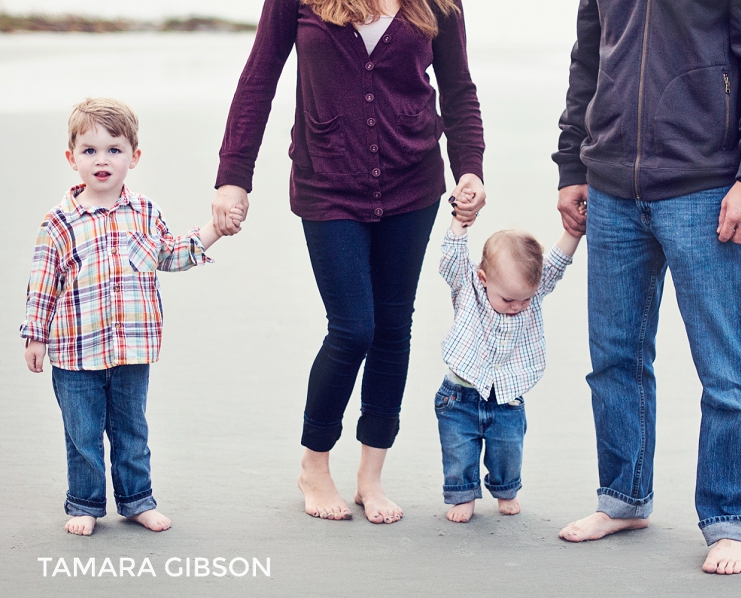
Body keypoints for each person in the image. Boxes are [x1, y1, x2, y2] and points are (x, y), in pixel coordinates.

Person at [210, 0, 486, 524]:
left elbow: (458, 89)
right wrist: (233, 175)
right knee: (353, 327)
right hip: (327, 181)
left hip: (414, 181)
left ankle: (370, 476)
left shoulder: (438, 4)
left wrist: (469, 168)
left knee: (392, 329)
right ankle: (314, 466)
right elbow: (258, 78)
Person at [552, 0, 741, 575]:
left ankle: (735, 521)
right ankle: (624, 498)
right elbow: (588, 58)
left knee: (726, 362)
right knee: (614, 356)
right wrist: (571, 165)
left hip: (706, 187)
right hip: (610, 182)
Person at [20, 98, 244, 536]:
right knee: (83, 435)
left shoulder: (145, 213)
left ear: (133, 157)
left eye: (114, 149)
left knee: (131, 430)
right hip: (74, 350)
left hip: (131, 348)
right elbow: (42, 283)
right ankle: (85, 503)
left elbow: (171, 253)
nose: (101, 160)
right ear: (72, 159)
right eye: (89, 151)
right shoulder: (59, 222)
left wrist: (215, 230)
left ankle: (137, 499)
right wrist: (36, 336)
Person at [435, 190, 582, 522]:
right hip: (460, 394)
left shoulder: (532, 289)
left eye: (524, 301)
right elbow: (452, 258)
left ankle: (506, 489)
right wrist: (460, 220)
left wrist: (573, 231)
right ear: (484, 280)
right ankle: (462, 495)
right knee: (459, 450)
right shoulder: (468, 287)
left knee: (508, 449)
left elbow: (556, 264)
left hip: (507, 399)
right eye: (509, 300)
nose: (517, 308)